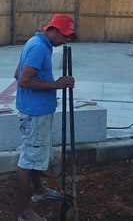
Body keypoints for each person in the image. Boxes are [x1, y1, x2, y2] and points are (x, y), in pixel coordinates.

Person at [15, 14, 77, 221]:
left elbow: (17, 73)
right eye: (65, 35)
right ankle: (26, 212)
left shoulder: (35, 42)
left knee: (33, 155)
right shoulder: (40, 48)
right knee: (28, 160)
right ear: (53, 30)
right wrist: (56, 84)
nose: (65, 40)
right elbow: (24, 80)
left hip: (34, 110)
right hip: (35, 113)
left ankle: (39, 190)